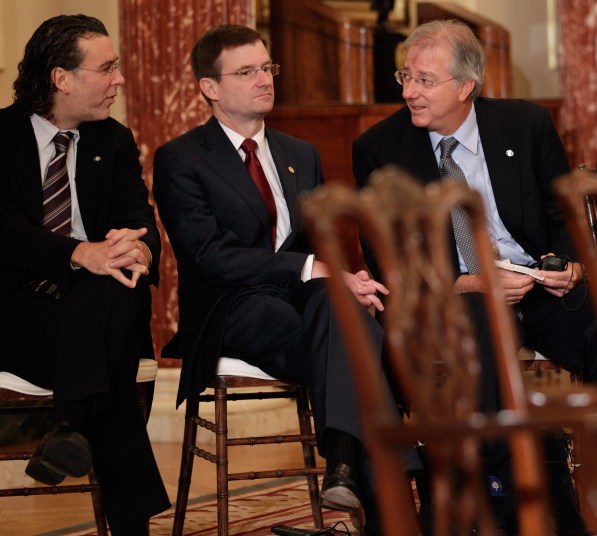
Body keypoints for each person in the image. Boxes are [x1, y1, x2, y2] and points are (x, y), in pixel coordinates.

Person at [352, 19, 597, 535]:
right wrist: (470, 283)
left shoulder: (526, 125)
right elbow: (388, 264)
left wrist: (569, 264)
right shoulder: (379, 148)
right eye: (406, 76)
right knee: (483, 330)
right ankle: (499, 497)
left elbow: (563, 217)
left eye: (425, 80)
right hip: (457, 296)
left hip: (537, 288)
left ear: (465, 87)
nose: (408, 91)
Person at [153, 24, 407, 534]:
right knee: (359, 343)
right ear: (209, 86)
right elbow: (210, 256)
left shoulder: (299, 154)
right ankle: (374, 489)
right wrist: (314, 270)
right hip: (231, 305)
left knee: (345, 313)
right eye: (246, 72)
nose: (264, 80)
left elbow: (318, 247)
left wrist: (343, 275)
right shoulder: (181, 159)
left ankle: (345, 468)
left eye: (266, 68)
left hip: (302, 299)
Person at [0, 14, 169, 535]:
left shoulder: (113, 140)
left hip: (100, 302)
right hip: (19, 310)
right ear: (61, 78)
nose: (119, 80)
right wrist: (82, 254)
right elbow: (4, 230)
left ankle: (68, 427)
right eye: (108, 69)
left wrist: (134, 250)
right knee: (114, 369)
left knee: (116, 286)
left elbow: (141, 220)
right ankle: (82, 443)